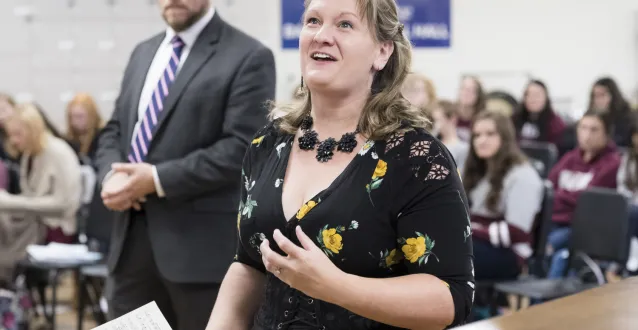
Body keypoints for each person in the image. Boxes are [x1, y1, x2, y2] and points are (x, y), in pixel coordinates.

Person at [206, 0, 474, 329]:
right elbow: (248, 264)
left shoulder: (416, 157)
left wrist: (337, 287)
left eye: (345, 25)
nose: (321, 35)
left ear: (382, 52)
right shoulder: (268, 143)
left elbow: (451, 296)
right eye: (313, 21)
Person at [94, 0, 276, 329]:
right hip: (129, 247)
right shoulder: (143, 52)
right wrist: (112, 176)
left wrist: (156, 179)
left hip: (199, 257)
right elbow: (115, 129)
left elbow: (241, 148)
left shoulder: (249, 56)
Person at [0, 103, 81, 281]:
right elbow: (31, 199)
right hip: (34, 223)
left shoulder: (58, 152)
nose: (13, 141)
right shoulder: (30, 154)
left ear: (33, 130)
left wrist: (10, 202)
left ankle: (7, 284)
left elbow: (64, 204)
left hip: (54, 228)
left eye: (18, 134)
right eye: (10, 135)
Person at [463, 111, 543, 281]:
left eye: (490, 134)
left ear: (505, 138)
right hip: (480, 243)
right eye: (477, 135)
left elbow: (516, 233)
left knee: (445, 254)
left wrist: (468, 230)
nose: (482, 140)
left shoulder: (523, 175)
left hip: (510, 255)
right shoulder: (479, 171)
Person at [546, 109, 621, 278]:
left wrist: (561, 195)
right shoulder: (570, 158)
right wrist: (568, 197)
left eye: (594, 129)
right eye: (583, 128)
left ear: (606, 134)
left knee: (550, 244)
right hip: (554, 220)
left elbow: (587, 202)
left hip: (582, 227)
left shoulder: (612, 163)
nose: (587, 134)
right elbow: (549, 190)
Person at [512, 80, 566, 147]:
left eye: (537, 95)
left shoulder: (555, 124)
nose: (532, 99)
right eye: (528, 95)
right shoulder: (515, 119)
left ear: (546, 98)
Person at [431, 100, 469, 172]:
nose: (436, 125)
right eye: (434, 120)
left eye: (439, 120)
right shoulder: (433, 143)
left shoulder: (463, 148)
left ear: (453, 119)